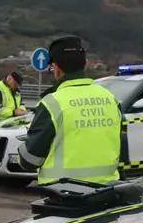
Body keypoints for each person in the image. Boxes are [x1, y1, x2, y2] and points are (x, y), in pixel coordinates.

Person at [16, 35, 121, 185]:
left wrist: (22, 147)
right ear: (85, 64)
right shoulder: (111, 99)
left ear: (57, 69)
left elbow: (30, 160)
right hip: (106, 192)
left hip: (62, 196)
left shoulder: (52, 103)